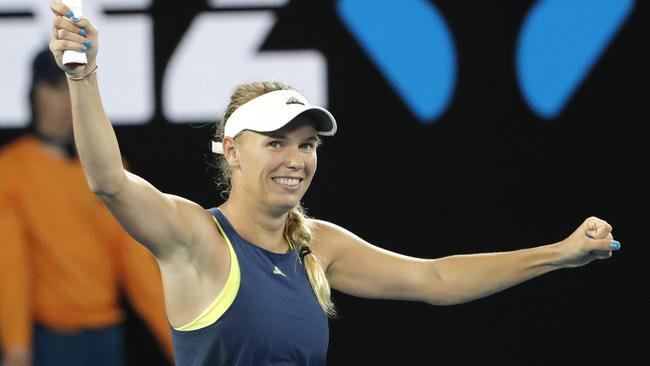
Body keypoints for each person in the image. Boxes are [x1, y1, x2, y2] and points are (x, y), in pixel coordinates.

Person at [46, 2, 621, 365]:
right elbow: (109, 183)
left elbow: (438, 278)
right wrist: (84, 77)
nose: (296, 159)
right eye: (275, 142)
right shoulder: (194, 237)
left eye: (307, 144)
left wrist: (560, 255)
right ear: (231, 151)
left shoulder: (317, 244)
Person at [0, 46, 174, 365]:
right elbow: (10, 264)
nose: (64, 102)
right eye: (53, 88)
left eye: (71, 88)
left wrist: (178, 341)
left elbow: (135, 259)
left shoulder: (106, 168)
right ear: (33, 93)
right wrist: (16, 346)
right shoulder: (9, 170)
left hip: (105, 336)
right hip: (47, 339)